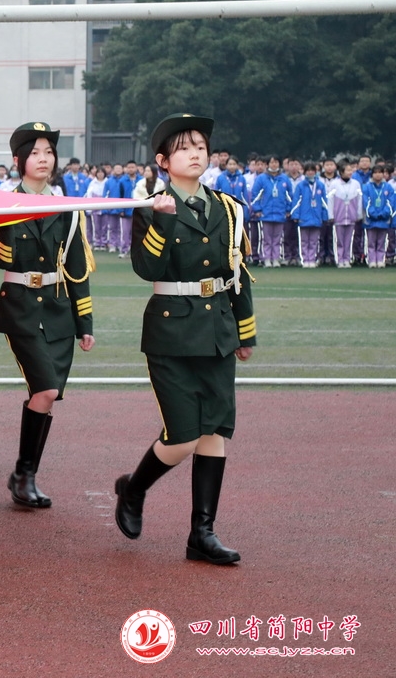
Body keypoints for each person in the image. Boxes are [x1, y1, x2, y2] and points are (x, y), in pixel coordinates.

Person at [114, 113, 257, 565]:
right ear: (163, 161)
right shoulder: (151, 207)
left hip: (217, 330)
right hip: (171, 331)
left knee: (215, 432)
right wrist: (162, 222)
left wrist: (245, 329)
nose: (196, 152)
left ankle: (202, 533)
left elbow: (237, 272)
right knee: (181, 438)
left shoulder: (228, 208)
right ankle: (133, 490)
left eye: (200, 145)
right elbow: (147, 270)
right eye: (184, 147)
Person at [0, 122, 95, 508]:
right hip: (20, 306)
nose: (43, 159)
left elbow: (78, 267)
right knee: (46, 390)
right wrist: (6, 216)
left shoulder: (67, 208)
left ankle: (22, 475)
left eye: (48, 152)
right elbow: (5, 256)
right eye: (34, 153)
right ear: (18, 161)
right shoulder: (4, 205)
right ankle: (25, 475)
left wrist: (85, 323)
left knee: (46, 396)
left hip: (58, 309)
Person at [250, 155, 292, 267]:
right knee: (266, 239)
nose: (274, 164)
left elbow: (290, 196)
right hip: (266, 213)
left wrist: (288, 209)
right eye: (272, 162)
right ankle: (267, 259)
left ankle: (276, 259)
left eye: (276, 162)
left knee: (278, 239)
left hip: (280, 213)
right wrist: (257, 209)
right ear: (267, 164)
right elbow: (255, 195)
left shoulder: (284, 179)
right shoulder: (261, 179)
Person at [290, 162, 329, 268]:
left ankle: (312, 259)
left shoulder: (320, 185)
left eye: (312, 170)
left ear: (316, 172)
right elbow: (296, 201)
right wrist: (295, 215)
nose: (310, 172)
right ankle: (305, 259)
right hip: (304, 217)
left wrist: (325, 215)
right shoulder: (300, 186)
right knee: (304, 240)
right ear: (304, 172)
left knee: (314, 241)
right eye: (308, 170)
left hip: (316, 217)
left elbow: (324, 202)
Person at [329, 161, 363, 268]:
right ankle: (339, 259)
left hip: (351, 216)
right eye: (348, 170)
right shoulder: (334, 184)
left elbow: (359, 200)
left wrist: (358, 214)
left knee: (349, 240)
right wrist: (331, 215)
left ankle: (347, 259)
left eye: (351, 170)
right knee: (339, 240)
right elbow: (330, 200)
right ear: (341, 172)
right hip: (339, 216)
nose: (350, 172)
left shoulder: (356, 184)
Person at [361, 164, 394, 268]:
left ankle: (380, 260)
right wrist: (373, 213)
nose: (378, 175)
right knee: (371, 241)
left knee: (381, 241)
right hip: (370, 219)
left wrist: (384, 213)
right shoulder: (366, 187)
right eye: (375, 172)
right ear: (372, 174)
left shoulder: (388, 187)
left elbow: (391, 202)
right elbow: (366, 202)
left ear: (383, 174)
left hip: (384, 219)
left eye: (380, 172)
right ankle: (371, 260)